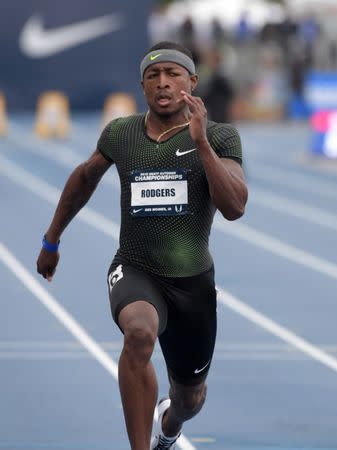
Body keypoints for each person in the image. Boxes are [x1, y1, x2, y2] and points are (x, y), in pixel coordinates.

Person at [36, 41, 248, 450]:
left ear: (192, 82)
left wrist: (201, 143)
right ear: (142, 85)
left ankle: (168, 427)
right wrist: (52, 239)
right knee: (138, 332)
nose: (163, 83)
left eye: (173, 74)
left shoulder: (221, 137)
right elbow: (84, 178)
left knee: (190, 399)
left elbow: (235, 206)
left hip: (193, 283)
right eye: (153, 76)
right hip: (135, 267)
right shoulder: (122, 133)